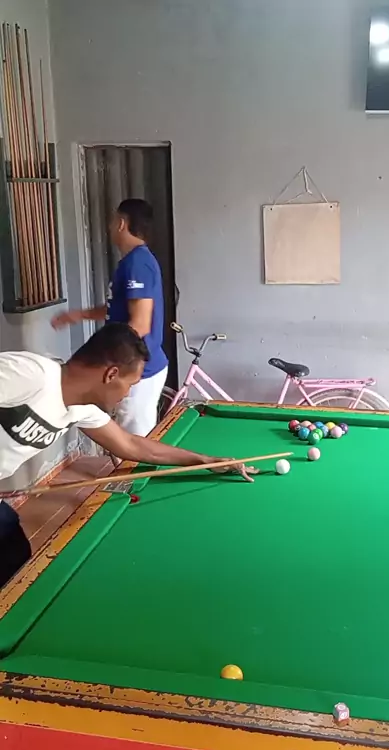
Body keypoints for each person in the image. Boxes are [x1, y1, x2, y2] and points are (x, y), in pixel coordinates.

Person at [0, 323, 255, 588]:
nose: (128, 394)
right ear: (111, 374)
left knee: (14, 554)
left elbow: (130, 445)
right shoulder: (30, 374)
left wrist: (205, 461)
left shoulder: (82, 407)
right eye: (130, 384)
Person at [52, 198, 167, 436]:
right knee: (127, 435)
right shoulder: (132, 262)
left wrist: (104, 360)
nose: (110, 226)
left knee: (135, 440)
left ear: (121, 223)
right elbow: (117, 308)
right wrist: (79, 315)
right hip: (132, 367)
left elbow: (140, 325)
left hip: (137, 370)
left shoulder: (138, 263)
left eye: (113, 220)